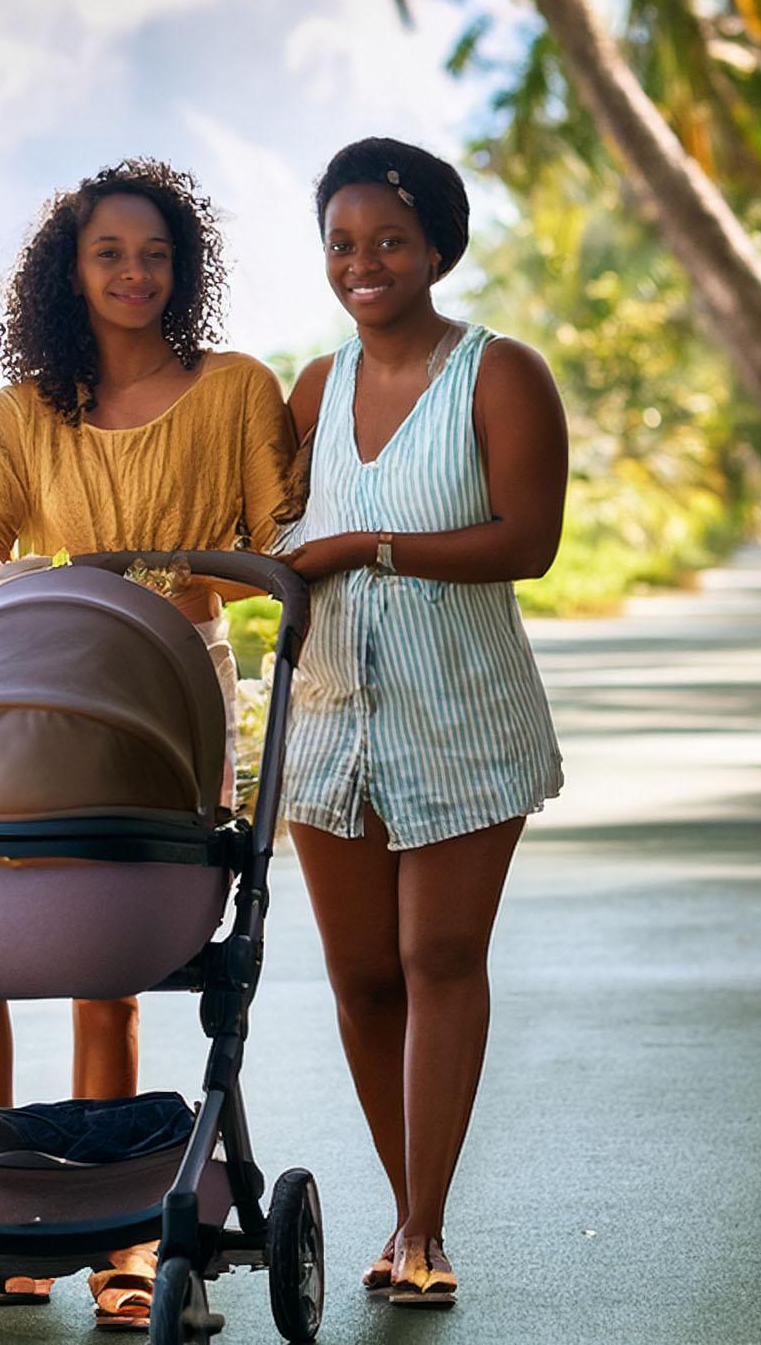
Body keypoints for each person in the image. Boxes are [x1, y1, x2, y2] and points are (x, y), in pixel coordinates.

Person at [0, 156, 298, 1327]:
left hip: (180, 682)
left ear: (181, 268)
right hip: (48, 673)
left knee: (116, 946)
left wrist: (164, 581)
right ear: (71, 270)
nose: (134, 272)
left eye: (155, 253)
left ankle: (121, 1244)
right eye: (110, 253)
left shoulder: (240, 387)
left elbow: (281, 540)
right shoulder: (23, 412)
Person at [277, 136, 567, 1309]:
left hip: (464, 715)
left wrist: (368, 548)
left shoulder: (502, 373)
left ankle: (422, 1228)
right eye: (342, 244)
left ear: (437, 247)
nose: (364, 263)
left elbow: (529, 542)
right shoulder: (310, 388)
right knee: (358, 979)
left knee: (439, 958)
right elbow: (272, 542)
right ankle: (404, 1210)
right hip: (331, 718)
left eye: (388, 241)